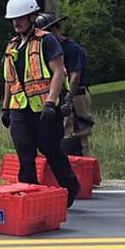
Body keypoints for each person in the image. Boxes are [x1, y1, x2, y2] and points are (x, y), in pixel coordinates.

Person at [0, 0, 80, 206]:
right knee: (25, 153)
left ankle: (70, 187)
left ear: (32, 18)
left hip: (45, 109)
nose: (16, 23)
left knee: (51, 150)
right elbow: (9, 80)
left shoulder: (47, 41)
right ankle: (28, 195)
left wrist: (51, 102)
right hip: (20, 109)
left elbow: (58, 73)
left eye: (20, 18)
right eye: (13, 20)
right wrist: (5, 108)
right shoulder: (12, 47)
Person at [35, 12, 93, 156]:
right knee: (62, 134)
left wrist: (68, 100)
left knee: (78, 133)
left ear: (55, 29)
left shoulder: (72, 48)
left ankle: (84, 169)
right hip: (60, 95)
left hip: (76, 94)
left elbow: (75, 76)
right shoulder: (50, 50)